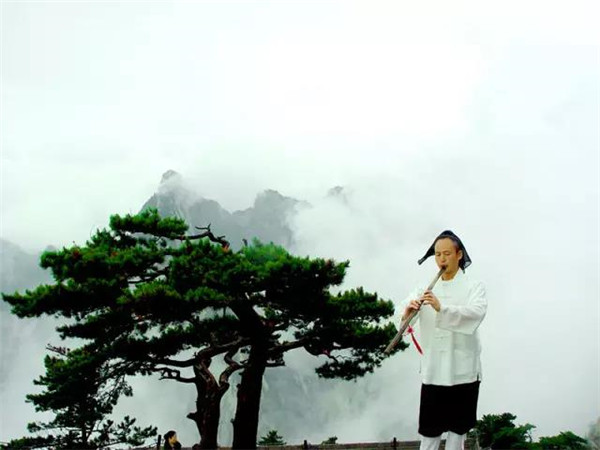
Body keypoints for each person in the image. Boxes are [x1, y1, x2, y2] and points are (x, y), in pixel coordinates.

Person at [401, 230, 487, 450]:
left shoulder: (474, 286)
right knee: (429, 432)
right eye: (438, 254)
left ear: (459, 255)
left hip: (463, 371)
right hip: (434, 371)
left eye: (447, 254)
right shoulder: (424, 288)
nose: (441, 259)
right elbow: (403, 322)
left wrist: (442, 308)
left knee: (458, 432)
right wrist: (407, 314)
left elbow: (476, 313)